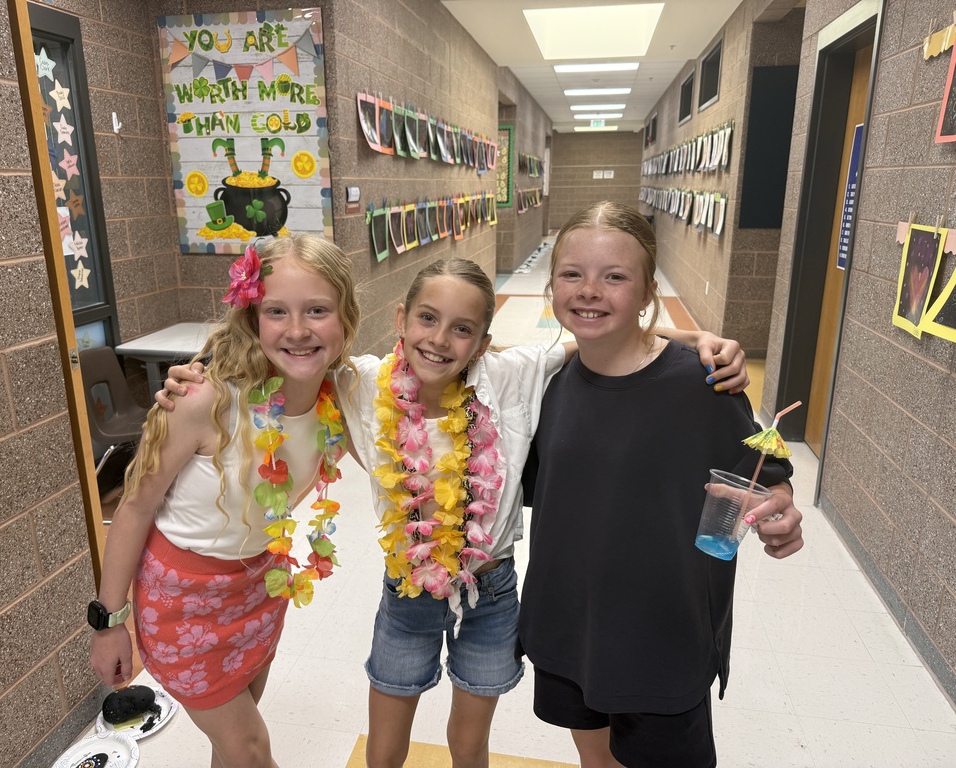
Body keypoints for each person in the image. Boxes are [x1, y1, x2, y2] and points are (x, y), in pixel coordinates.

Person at [157, 256, 774, 768]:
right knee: (385, 746)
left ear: (483, 341)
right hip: (406, 592)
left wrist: (695, 340)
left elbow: (601, 340)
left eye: (461, 329)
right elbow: (286, 355)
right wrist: (195, 376)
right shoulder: (359, 383)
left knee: (469, 742)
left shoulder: (509, 374)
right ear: (401, 319)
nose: (439, 339)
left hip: (491, 593)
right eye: (427, 318)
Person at [518, 201, 803, 768]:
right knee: (595, 758)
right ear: (551, 287)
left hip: (662, 637)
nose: (589, 290)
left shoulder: (703, 385)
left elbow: (768, 480)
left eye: (615, 277)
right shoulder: (544, 383)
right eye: (572, 274)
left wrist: (779, 511)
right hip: (570, 623)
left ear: (649, 291)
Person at [89, 234, 360, 768]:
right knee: (251, 749)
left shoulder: (343, 400)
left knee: (231, 746)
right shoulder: (203, 401)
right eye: (277, 311)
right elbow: (135, 509)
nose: (297, 330)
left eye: (317, 310)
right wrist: (110, 623)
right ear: (252, 317)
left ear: (346, 317)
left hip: (260, 586)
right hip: (181, 603)